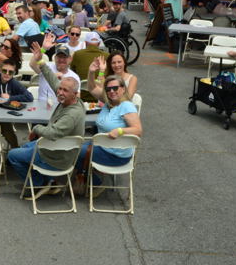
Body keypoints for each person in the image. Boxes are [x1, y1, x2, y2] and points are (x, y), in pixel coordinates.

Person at [8, 41, 85, 198]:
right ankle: (48, 180)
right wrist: (41, 60)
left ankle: (39, 184)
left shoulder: (72, 114)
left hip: (56, 157)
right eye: (60, 89)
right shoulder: (71, 98)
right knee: (25, 147)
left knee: (12, 155)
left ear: (75, 94)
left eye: (65, 90)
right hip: (55, 149)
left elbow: (52, 133)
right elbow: (52, 79)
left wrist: (35, 129)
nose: (60, 92)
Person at [74, 74, 142, 193]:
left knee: (74, 152)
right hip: (102, 146)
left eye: (115, 88)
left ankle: (95, 183)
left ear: (123, 89)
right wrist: (92, 71)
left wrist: (120, 131)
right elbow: (92, 88)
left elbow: (138, 130)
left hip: (116, 154)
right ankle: (86, 176)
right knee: (75, 146)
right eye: (108, 89)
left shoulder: (126, 106)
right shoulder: (108, 102)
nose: (112, 91)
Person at [29, 34, 80, 104]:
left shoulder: (74, 76)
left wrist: (65, 82)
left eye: (64, 57)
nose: (61, 60)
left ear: (70, 59)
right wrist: (43, 49)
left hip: (62, 106)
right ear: (55, 58)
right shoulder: (46, 67)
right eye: (59, 57)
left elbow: (77, 98)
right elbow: (32, 64)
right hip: (42, 105)